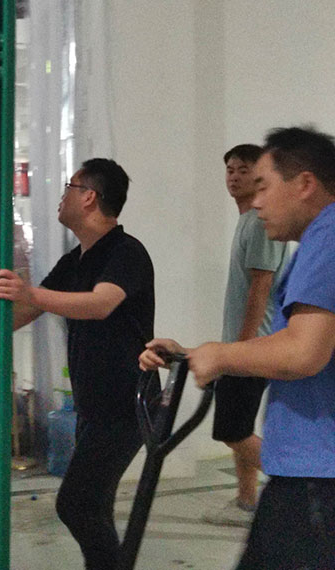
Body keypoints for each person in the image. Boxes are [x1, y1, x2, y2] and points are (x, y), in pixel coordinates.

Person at [0, 160, 155, 570]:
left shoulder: (126, 252)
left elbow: (101, 304)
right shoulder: (76, 260)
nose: (62, 196)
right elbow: (25, 311)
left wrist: (31, 293)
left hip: (127, 402)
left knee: (77, 504)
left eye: (70, 187)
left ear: (89, 197)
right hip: (96, 403)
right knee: (93, 505)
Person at [140, 126, 335, 569]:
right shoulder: (317, 241)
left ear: (304, 184)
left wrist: (223, 354)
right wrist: (193, 354)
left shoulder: (328, 238)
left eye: (263, 185)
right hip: (306, 473)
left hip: (318, 478)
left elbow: (304, 353)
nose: (257, 200)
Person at [201, 144, 290, 527]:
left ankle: (301, 481)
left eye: (244, 169)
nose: (234, 176)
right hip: (245, 345)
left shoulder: (259, 223)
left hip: (253, 346)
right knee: (240, 428)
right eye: (230, 170)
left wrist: (240, 348)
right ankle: (246, 502)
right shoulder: (247, 220)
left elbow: (261, 286)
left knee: (232, 431)